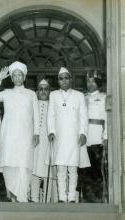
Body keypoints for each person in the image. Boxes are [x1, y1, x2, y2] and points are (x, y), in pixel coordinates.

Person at [0, 61, 39, 202]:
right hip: (9, 134)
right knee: (9, 163)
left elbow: (36, 115)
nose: (17, 77)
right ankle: (13, 196)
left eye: (19, 75)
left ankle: (22, 196)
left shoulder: (31, 94)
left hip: (26, 134)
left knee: (24, 163)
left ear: (23, 77)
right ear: (12, 78)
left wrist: (36, 133)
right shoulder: (7, 93)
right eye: (14, 75)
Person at [47, 67, 90, 203]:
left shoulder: (79, 95)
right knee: (60, 168)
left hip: (74, 137)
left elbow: (84, 116)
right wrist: (51, 131)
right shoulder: (53, 95)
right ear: (58, 81)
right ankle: (61, 197)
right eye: (61, 79)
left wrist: (83, 133)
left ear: (70, 79)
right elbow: (51, 116)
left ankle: (71, 198)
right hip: (59, 137)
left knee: (72, 168)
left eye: (66, 78)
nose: (63, 81)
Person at [80, 69, 108, 203]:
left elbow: (107, 118)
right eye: (88, 81)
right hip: (84, 139)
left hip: (97, 137)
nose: (90, 84)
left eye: (93, 81)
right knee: (84, 171)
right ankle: (86, 199)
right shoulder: (83, 97)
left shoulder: (103, 97)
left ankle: (98, 199)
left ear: (98, 82)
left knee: (97, 171)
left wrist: (106, 135)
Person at [31, 79, 57, 203]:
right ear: (36, 92)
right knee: (33, 169)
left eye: (46, 89)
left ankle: (47, 201)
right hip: (34, 143)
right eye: (40, 89)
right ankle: (34, 199)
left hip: (48, 143)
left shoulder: (54, 106)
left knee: (48, 171)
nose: (43, 91)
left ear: (49, 91)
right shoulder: (32, 105)